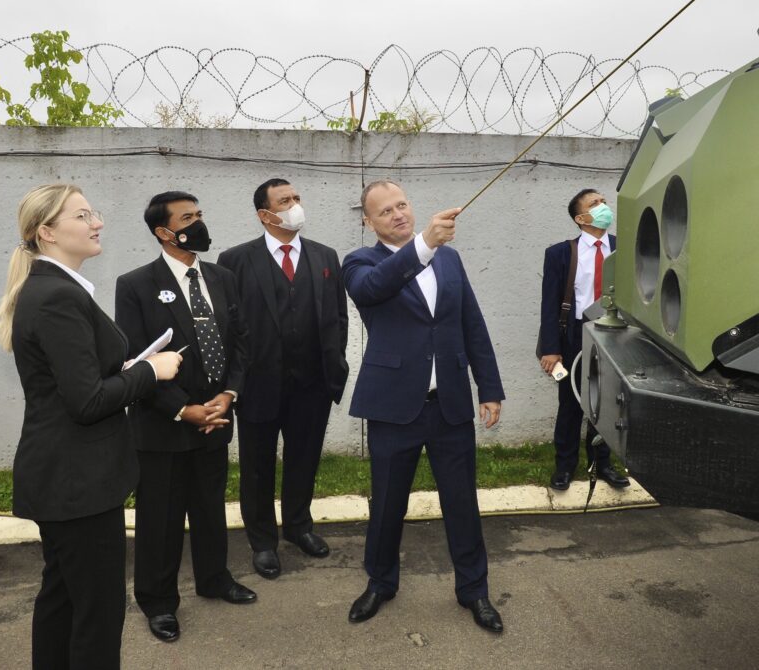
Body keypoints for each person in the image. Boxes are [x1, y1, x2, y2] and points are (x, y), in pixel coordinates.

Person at [0, 184, 183, 669]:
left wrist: (127, 368)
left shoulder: (55, 289)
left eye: (93, 213)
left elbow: (78, 381)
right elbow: (87, 402)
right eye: (81, 216)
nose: (96, 222)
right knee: (97, 613)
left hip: (69, 480)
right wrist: (150, 371)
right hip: (77, 483)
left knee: (62, 599)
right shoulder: (57, 296)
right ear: (47, 232)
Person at [342, 179, 505, 633]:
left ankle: (474, 590)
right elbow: (374, 288)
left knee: (462, 503)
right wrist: (424, 245)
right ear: (368, 222)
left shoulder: (450, 259)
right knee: (387, 504)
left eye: (402, 205)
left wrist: (489, 387)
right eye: (385, 211)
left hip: (449, 405)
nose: (397, 214)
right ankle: (380, 583)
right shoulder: (359, 262)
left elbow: (472, 323)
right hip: (393, 408)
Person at [114, 191, 256, 644]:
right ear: (163, 231)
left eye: (200, 214)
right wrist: (182, 409)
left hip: (216, 416)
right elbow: (137, 361)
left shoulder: (222, 277)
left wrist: (227, 395)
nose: (198, 223)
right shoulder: (135, 284)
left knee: (210, 508)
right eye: (187, 217)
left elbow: (240, 342)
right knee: (161, 518)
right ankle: (158, 602)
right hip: (163, 425)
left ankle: (214, 579)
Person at [217, 178, 349, 578]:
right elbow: (229, 326)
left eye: (296, 197)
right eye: (284, 201)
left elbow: (338, 317)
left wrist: (334, 366)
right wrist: (234, 381)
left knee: (304, 459)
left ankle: (298, 526)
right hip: (259, 385)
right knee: (257, 467)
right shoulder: (235, 260)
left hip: (312, 384)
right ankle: (262, 542)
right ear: (265, 214)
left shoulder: (325, 256)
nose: (295, 205)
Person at [538, 189, 630, 491]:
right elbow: (549, 305)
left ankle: (603, 463)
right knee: (571, 401)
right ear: (581, 218)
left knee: (607, 401)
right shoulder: (560, 254)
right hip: (575, 334)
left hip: (614, 332)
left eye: (603, 201)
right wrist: (551, 349)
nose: (603, 206)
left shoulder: (624, 248)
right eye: (595, 204)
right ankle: (564, 466)